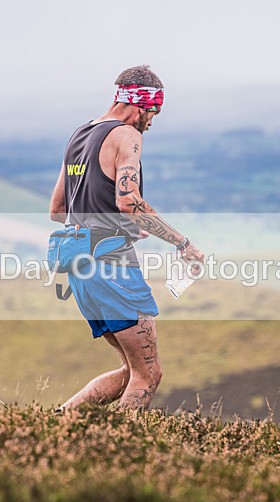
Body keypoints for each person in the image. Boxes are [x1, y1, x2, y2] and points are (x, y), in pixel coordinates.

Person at [49, 65, 204, 411]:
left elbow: (58, 209)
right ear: (140, 105)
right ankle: (121, 447)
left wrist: (115, 221)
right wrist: (183, 244)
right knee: (149, 375)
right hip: (112, 265)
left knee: (131, 371)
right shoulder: (128, 137)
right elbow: (128, 200)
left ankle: (59, 423)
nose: (152, 123)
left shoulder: (79, 134)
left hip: (79, 267)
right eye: (154, 113)